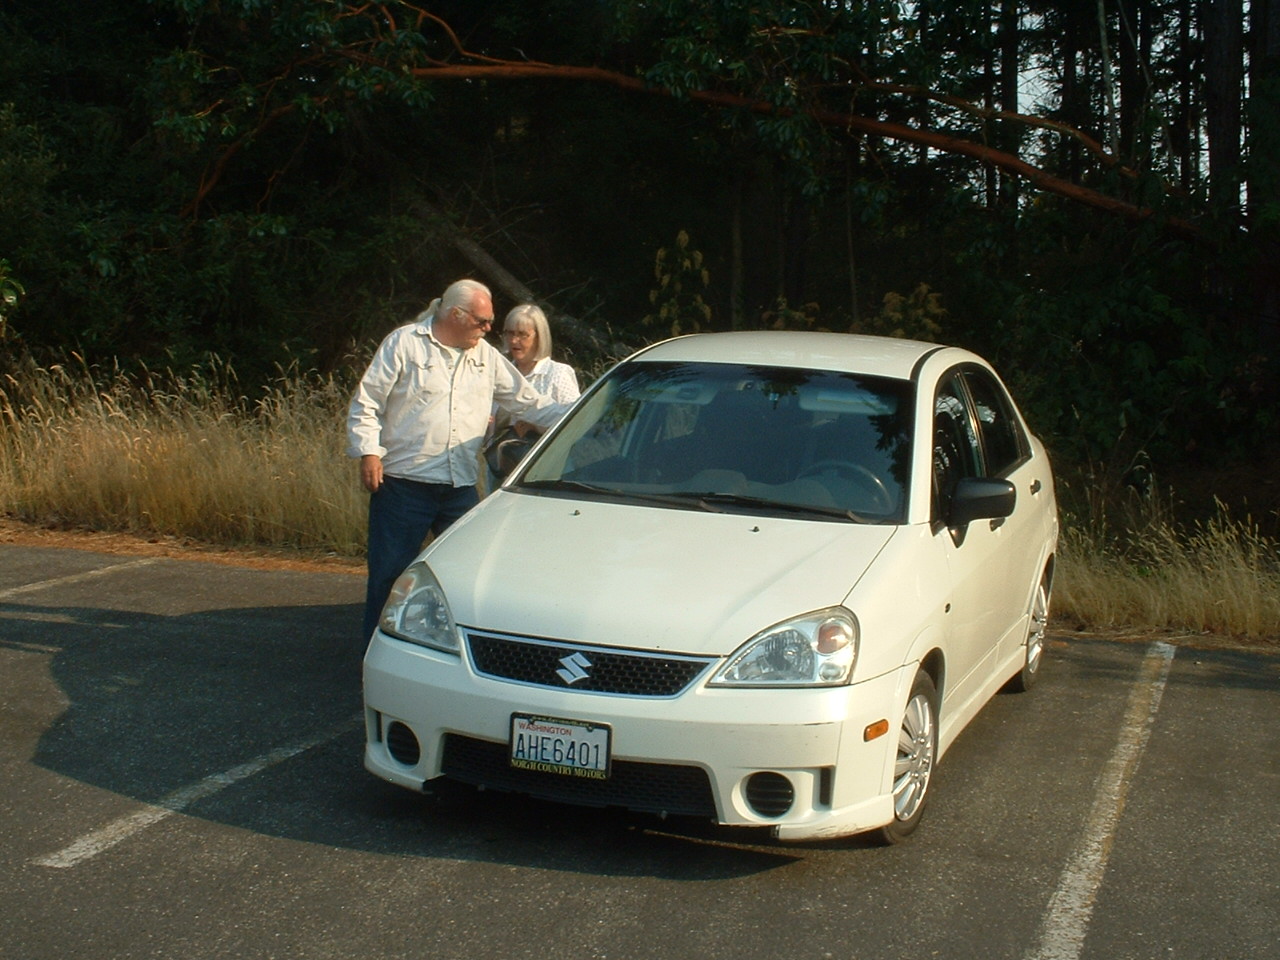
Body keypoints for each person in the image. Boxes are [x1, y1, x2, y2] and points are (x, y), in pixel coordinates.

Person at [347, 279, 571, 644]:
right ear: (456, 314)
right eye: (483, 321)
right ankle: (375, 661)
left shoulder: (485, 356)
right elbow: (367, 402)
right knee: (390, 577)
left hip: (459, 488)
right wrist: (368, 451)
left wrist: (584, 418)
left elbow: (529, 403)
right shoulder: (405, 344)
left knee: (471, 576)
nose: (488, 330)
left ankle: (454, 655)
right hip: (404, 486)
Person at [484, 304, 581, 486]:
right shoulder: (499, 373)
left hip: (547, 473)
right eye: (510, 333)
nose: (514, 341)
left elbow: (575, 424)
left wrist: (536, 428)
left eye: (522, 335)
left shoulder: (558, 374)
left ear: (539, 337)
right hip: (501, 472)